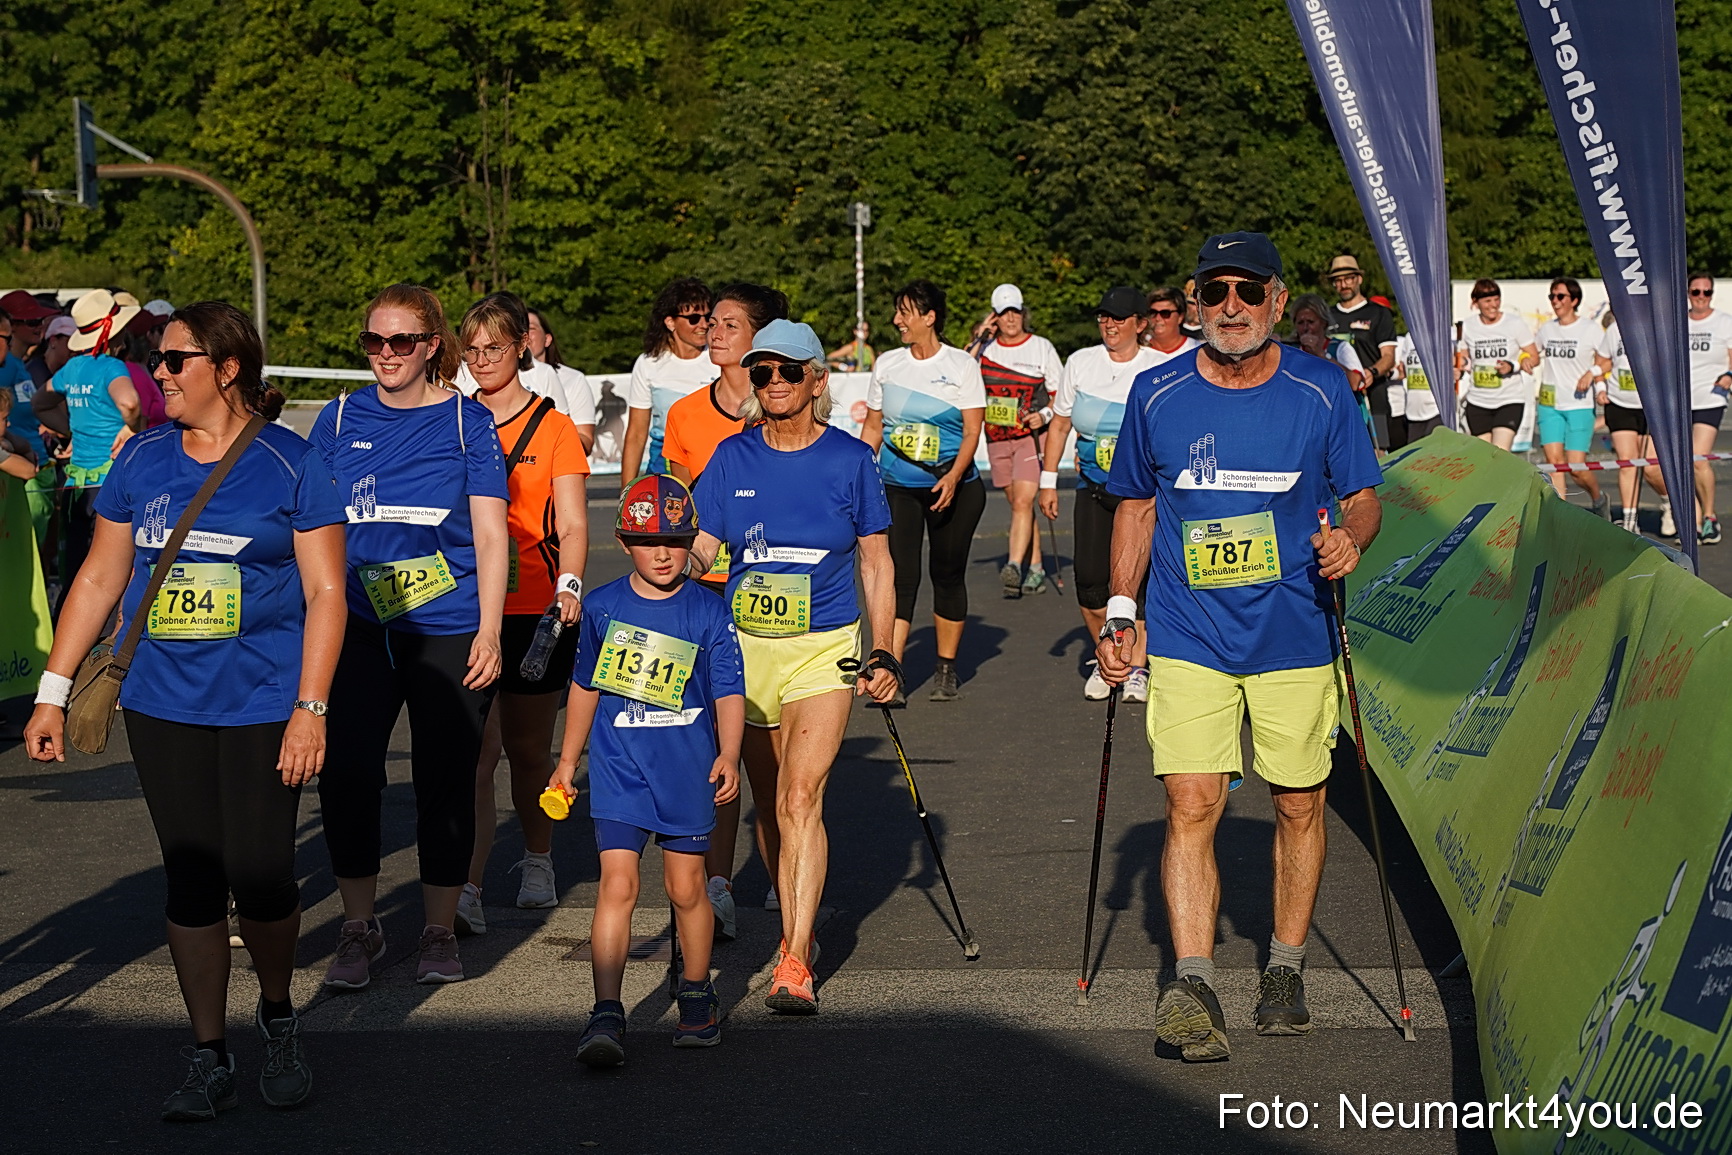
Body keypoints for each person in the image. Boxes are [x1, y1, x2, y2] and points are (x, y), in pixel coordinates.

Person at [23, 301, 347, 1119]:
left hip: (265, 699)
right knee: (193, 877)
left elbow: (326, 590)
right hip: (162, 699)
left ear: (227, 368)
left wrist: (312, 706)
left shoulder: (292, 463)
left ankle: (276, 1013)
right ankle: (209, 1052)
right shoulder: (142, 462)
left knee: (265, 874)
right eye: (157, 360)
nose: (157, 373)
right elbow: (98, 578)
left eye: (173, 360)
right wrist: (52, 693)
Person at [1095, 232, 1382, 1061]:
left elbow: (1362, 497)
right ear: (1193, 299)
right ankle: (1192, 983)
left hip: (1296, 632)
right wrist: (1122, 610)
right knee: (1190, 802)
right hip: (1189, 635)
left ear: (1278, 301)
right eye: (1215, 290)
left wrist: (1351, 541)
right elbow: (1137, 506)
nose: (1230, 307)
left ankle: (1285, 969)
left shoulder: (1323, 390)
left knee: (1298, 801)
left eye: (1247, 291)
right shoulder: (1156, 392)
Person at [687, 319, 898, 1013]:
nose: (774, 383)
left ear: (817, 379)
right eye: (762, 372)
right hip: (743, 651)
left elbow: (875, 559)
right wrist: (663, 578)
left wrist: (885, 647)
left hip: (821, 649)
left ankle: (795, 956)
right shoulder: (730, 457)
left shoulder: (849, 460)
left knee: (800, 797)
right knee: (767, 801)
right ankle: (770, 903)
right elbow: (702, 549)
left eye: (787, 371)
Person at [309, 283, 509, 988]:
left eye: (401, 341)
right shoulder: (336, 416)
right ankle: (359, 925)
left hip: (447, 626)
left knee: (445, 779)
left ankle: (436, 927)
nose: (385, 354)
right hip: (360, 625)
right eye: (373, 341)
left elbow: (489, 533)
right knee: (350, 772)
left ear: (432, 346)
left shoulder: (467, 422)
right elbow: (314, 528)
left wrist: (490, 629)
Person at [551, 475, 743, 1064]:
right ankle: (606, 1011)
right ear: (623, 541)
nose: (663, 553)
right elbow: (583, 687)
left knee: (687, 889)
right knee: (618, 884)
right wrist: (566, 763)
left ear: (693, 542)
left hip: (687, 771)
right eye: (647, 540)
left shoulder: (709, 611)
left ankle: (695, 992)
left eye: (677, 540)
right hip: (619, 770)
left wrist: (729, 754)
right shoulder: (603, 608)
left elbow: (729, 691)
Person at [454, 293, 590, 936]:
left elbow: (573, 520)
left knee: (530, 749)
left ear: (523, 350)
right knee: (475, 756)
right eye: (472, 350)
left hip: (536, 607)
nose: (482, 360)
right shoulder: (450, 421)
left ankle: (538, 859)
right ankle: (468, 885)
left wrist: (570, 584)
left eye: (495, 349)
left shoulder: (554, 426)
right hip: (465, 609)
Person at [662, 282, 785, 938]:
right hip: (702, 601)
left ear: (759, 337)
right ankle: (717, 883)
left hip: (770, 609)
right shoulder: (683, 413)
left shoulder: (782, 408)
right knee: (710, 748)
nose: (712, 331)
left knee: (765, 757)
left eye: (729, 324)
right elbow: (675, 509)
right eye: (710, 322)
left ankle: (782, 869)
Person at [1038, 286, 1182, 701]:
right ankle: (1110, 653)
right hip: (1093, 487)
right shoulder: (1080, 362)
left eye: (1119, 318)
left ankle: (1136, 668)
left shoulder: (1161, 367)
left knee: (1140, 585)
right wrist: (1049, 481)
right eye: (1104, 317)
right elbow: (1061, 425)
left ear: (1141, 324)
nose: (1110, 325)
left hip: (1143, 496)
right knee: (1089, 583)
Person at [861, 280, 986, 702]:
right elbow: (874, 426)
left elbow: (972, 430)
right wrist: (860, 475)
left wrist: (952, 476)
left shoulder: (961, 365)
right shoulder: (888, 364)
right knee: (900, 576)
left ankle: (946, 667)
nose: (897, 320)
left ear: (929, 317)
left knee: (947, 574)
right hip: (898, 487)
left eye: (905, 312)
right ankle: (890, 672)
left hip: (955, 487)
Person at [968, 283, 1064, 598]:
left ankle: (1014, 566)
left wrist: (1045, 416)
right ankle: (1036, 566)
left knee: (1023, 502)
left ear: (1023, 313)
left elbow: (1060, 395)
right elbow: (961, 373)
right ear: (995, 317)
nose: (1011, 318)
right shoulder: (986, 350)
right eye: (1003, 313)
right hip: (996, 438)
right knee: (1017, 505)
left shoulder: (1041, 347)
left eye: (1015, 311)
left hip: (1030, 437)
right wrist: (981, 335)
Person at [52, 290, 144, 604]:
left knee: (76, 570)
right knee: (109, 574)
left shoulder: (73, 367)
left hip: (76, 482)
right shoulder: (111, 368)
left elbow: (40, 401)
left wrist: (69, 429)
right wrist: (132, 426)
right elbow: (129, 402)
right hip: (111, 481)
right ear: (115, 331)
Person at [622, 278, 718, 479]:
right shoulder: (648, 363)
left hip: (713, 460)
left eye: (708, 316)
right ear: (670, 322)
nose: (703, 324)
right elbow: (637, 434)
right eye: (693, 318)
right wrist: (626, 493)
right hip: (663, 465)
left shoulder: (720, 357)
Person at [1534, 277, 1608, 517]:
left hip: (1579, 404)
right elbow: (1532, 353)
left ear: (1574, 300)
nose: (1555, 301)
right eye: (1552, 296)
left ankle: (1598, 498)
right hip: (1549, 404)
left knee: (1576, 467)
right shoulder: (1547, 329)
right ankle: (1560, 515)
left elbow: (1606, 359)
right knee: (1555, 462)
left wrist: (1592, 373)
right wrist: (1522, 362)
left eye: (1560, 296)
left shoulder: (1590, 329)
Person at [1594, 313, 1671, 536]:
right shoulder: (1614, 330)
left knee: (1651, 467)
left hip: (1651, 405)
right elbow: (1601, 363)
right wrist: (1600, 388)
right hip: (1620, 404)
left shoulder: (1659, 327)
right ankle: (1630, 520)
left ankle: (1670, 504)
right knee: (1627, 463)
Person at [1325, 255, 1398, 449]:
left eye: (1348, 278)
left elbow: (1389, 357)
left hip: (1374, 396)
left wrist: (1372, 372)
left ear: (1359, 279)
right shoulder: (1327, 316)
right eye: (1338, 280)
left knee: (1381, 453)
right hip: (1338, 398)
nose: (1344, 284)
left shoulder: (1379, 313)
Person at [1458, 278, 1538, 451]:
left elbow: (1534, 356)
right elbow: (1463, 357)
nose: (1493, 305)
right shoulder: (1468, 326)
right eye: (1488, 301)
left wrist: (1514, 365)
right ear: (1476, 302)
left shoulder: (1514, 323)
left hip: (1508, 400)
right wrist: (1459, 367)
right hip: (1478, 401)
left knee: (1501, 453)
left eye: (1496, 300)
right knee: (1485, 457)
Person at [1685, 273, 1732, 544]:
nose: (1701, 297)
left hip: (1710, 398)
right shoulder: (1679, 320)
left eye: (1707, 292)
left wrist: (1728, 376)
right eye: (1696, 292)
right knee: (1682, 461)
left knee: (1699, 458)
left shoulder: (1724, 322)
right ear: (1688, 294)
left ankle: (1711, 517)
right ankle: (1694, 518)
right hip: (1680, 401)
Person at [526, 307, 598, 451]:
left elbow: (586, 440)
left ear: (547, 339)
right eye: (518, 329)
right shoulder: (505, 379)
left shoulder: (573, 379)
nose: (524, 335)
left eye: (530, 328)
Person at [1391, 332, 1443, 442]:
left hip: (1435, 411)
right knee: (1416, 457)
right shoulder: (1409, 337)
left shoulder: (1440, 334)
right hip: (1413, 412)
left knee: (1434, 456)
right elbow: (1403, 372)